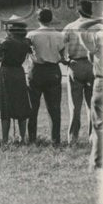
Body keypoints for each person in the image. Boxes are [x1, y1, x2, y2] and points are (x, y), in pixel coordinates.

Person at [26, 8, 67, 144]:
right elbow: (62, 56)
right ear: (51, 19)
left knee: (32, 106)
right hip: (53, 70)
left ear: (38, 19)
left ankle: (32, 138)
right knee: (54, 107)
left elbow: (27, 51)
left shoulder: (31, 34)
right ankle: (55, 140)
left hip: (36, 70)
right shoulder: (59, 35)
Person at [0, 15, 32, 143]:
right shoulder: (26, 42)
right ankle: (23, 137)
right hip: (19, 72)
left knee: (5, 106)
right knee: (21, 103)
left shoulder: (7, 43)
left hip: (6, 72)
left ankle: (5, 139)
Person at [62, 0, 96, 143]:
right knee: (92, 104)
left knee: (75, 106)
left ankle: (73, 138)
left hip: (75, 64)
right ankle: (92, 137)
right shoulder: (97, 26)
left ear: (78, 11)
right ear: (90, 10)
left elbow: (60, 47)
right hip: (92, 65)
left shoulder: (70, 27)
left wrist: (66, 62)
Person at [79, 14, 103, 169]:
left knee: (99, 125)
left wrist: (97, 20)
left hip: (102, 80)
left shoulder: (99, 36)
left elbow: (81, 28)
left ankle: (96, 162)